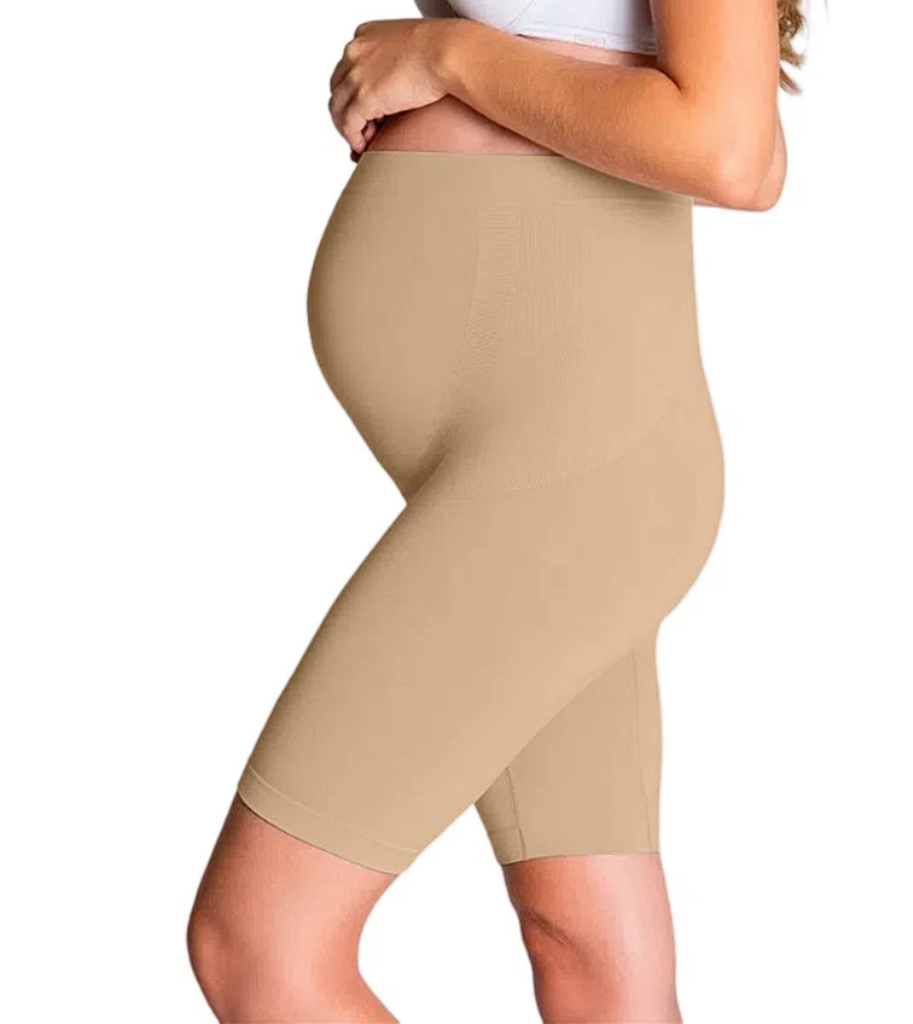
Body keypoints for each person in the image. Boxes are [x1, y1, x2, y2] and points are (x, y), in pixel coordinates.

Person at [187, 0, 803, 1020]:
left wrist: (447, 53)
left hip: (577, 473)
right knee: (589, 951)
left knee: (260, 941)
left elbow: (734, 152)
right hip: (559, 469)